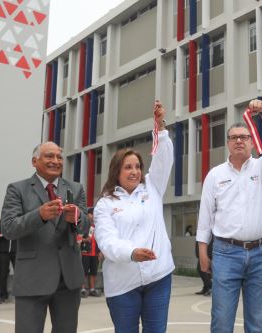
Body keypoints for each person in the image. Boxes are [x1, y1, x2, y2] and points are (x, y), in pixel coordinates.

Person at [196, 99, 262, 332]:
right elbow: (205, 217)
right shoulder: (215, 175)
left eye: (244, 137)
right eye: (234, 137)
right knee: (222, 322)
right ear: (227, 143)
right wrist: (202, 252)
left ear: (252, 142)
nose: (238, 140)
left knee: (257, 324)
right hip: (226, 254)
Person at [94, 101, 174, 333]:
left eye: (137, 166)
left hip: (159, 277)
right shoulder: (105, 204)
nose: (135, 171)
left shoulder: (152, 187)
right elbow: (107, 242)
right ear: (116, 171)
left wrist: (160, 128)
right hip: (122, 283)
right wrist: (132, 253)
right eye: (128, 167)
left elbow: (163, 159)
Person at [0, 141, 90, 333]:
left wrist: (77, 217)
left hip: (69, 279)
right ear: (35, 161)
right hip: (32, 278)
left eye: (59, 157)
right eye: (49, 156)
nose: (56, 161)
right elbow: (8, 228)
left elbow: (85, 227)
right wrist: (38, 215)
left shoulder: (75, 189)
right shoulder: (17, 189)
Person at [78, 207, 101, 298]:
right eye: (92, 214)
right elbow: (77, 238)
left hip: (95, 253)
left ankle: (92, 289)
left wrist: (100, 252)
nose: (93, 216)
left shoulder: (97, 226)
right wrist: (84, 239)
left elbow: (101, 240)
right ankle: (82, 289)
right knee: (84, 272)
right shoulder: (83, 225)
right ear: (88, 215)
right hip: (85, 252)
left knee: (94, 272)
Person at [0, 219, 17, 304]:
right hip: (3, 251)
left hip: (16, 251)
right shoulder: (2, 221)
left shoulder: (18, 220)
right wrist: (5, 234)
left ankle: (20, 294)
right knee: (3, 273)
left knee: (19, 273)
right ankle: (3, 296)